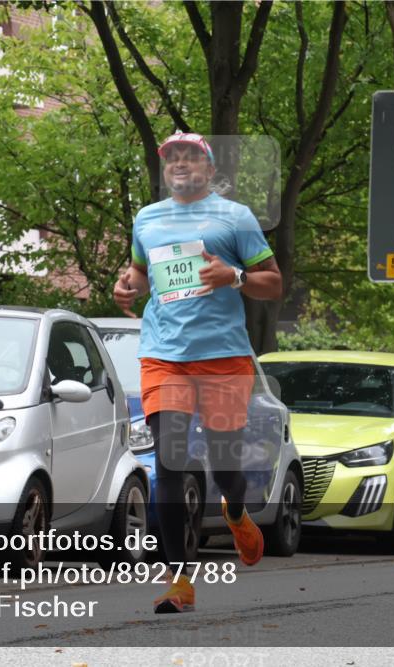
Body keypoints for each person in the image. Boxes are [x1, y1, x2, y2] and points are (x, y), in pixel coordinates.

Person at [113, 132, 282, 613]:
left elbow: (274, 283)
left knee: (225, 465)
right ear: (165, 168)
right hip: (164, 356)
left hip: (224, 358)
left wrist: (236, 276)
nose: (180, 163)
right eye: (172, 158)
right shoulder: (147, 218)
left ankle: (234, 508)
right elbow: (140, 273)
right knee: (169, 460)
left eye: (190, 156)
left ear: (209, 169)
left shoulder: (236, 218)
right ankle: (178, 581)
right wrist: (126, 288)